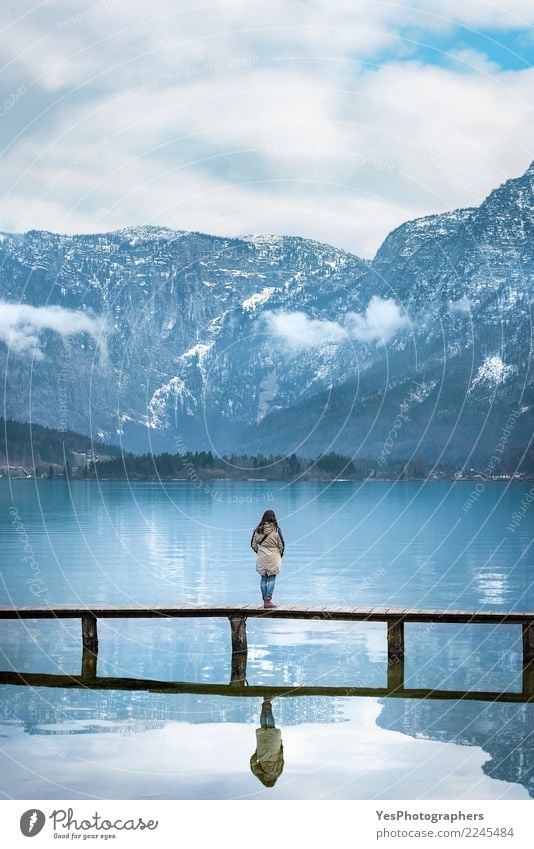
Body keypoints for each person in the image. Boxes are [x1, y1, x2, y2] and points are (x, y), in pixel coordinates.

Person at [250, 509, 284, 609]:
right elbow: (281, 545)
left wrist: (259, 552)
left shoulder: (258, 530)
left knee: (263, 578)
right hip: (274, 556)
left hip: (262, 556)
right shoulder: (277, 530)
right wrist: (279, 554)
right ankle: (268, 600)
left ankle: (265, 600)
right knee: (272, 578)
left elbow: (253, 545)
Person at [250, 698, 284, 787]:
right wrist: (257, 753)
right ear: (272, 779)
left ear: (264, 780)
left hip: (268, 751)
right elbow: (281, 759)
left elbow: (281, 760)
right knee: (269, 727)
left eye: (266, 780)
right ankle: (267, 703)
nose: (267, 778)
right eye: (269, 780)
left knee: (266, 727)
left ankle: (266, 703)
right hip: (269, 751)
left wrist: (257, 753)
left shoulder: (260, 772)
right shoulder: (261, 772)